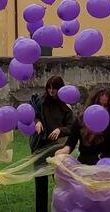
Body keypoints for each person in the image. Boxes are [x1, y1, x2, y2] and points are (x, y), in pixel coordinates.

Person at [56, 87, 110, 169]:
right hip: (87, 168)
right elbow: (71, 142)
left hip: (109, 169)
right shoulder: (82, 120)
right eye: (99, 105)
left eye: (105, 106)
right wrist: (64, 151)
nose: (102, 109)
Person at [29, 76, 74, 212]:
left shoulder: (66, 106)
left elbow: (72, 126)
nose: (51, 91)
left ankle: (63, 208)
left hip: (57, 149)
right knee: (40, 183)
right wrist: (37, 121)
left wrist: (60, 129)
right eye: (49, 88)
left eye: (54, 88)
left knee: (61, 182)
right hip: (41, 146)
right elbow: (32, 112)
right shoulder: (41, 101)